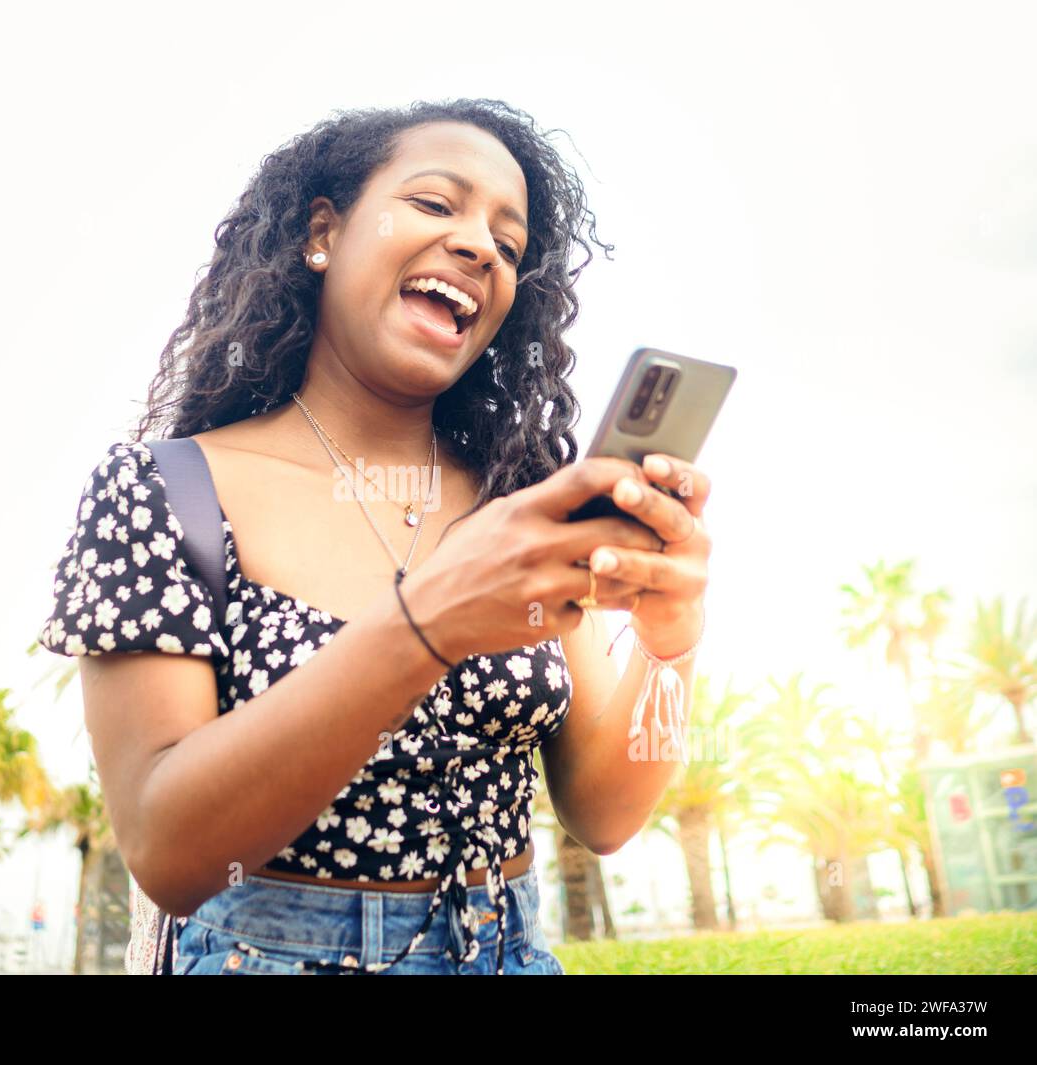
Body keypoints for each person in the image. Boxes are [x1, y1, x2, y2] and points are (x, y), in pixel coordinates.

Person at [37, 99, 712, 975]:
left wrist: (670, 643)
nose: (479, 247)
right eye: (436, 205)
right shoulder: (166, 491)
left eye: (508, 246)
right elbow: (169, 851)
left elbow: (607, 813)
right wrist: (426, 622)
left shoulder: (516, 504)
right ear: (325, 233)